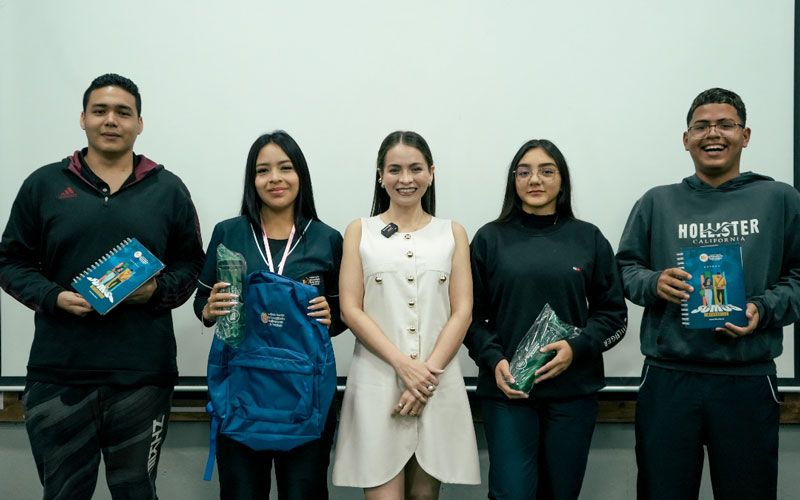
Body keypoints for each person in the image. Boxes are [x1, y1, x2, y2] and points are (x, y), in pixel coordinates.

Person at [0, 73, 205, 499]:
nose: (111, 120)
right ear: (83, 119)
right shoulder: (44, 184)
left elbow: (191, 264)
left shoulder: (168, 189)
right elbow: (10, 262)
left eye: (123, 112)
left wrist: (156, 291)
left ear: (139, 124)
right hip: (59, 377)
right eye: (100, 111)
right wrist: (52, 297)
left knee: (136, 492)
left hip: (143, 379)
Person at [616, 88, 800, 500]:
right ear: (686, 139)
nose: (712, 134)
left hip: (747, 378)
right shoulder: (656, 202)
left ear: (746, 135)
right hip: (668, 378)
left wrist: (762, 309)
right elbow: (625, 271)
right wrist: (654, 283)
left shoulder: (780, 199)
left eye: (725, 125)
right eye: (701, 126)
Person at [464, 139, 628, 500]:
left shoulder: (589, 238)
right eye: (524, 171)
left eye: (546, 171)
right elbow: (470, 319)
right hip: (508, 393)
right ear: (514, 181)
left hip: (572, 395)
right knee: (512, 493)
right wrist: (494, 360)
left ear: (562, 181)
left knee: (560, 493)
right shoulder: (489, 239)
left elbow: (614, 317)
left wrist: (576, 347)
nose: (534, 179)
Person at [194, 131, 345, 499]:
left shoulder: (327, 238)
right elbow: (201, 302)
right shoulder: (228, 232)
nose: (274, 178)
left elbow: (342, 317)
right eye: (263, 170)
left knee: (304, 493)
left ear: (301, 175)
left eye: (285, 168)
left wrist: (332, 314)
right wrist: (208, 310)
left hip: (304, 399)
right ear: (252, 179)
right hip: (242, 392)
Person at [332, 131, 480, 498]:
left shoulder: (453, 233)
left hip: (436, 384)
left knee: (425, 496)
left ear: (431, 173)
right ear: (380, 176)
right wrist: (404, 366)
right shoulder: (359, 231)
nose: (406, 179)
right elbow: (350, 309)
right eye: (394, 170)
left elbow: (462, 311)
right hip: (378, 383)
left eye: (416, 168)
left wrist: (425, 376)